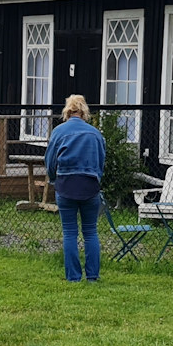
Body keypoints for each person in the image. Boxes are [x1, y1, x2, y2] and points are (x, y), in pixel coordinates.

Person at [44, 94, 105, 282]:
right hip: (90, 186)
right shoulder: (95, 134)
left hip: (66, 186)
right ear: (84, 111)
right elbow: (101, 162)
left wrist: (55, 178)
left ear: (67, 111)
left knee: (70, 232)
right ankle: (93, 276)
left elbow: (50, 162)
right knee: (90, 232)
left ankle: (73, 277)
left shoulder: (59, 132)